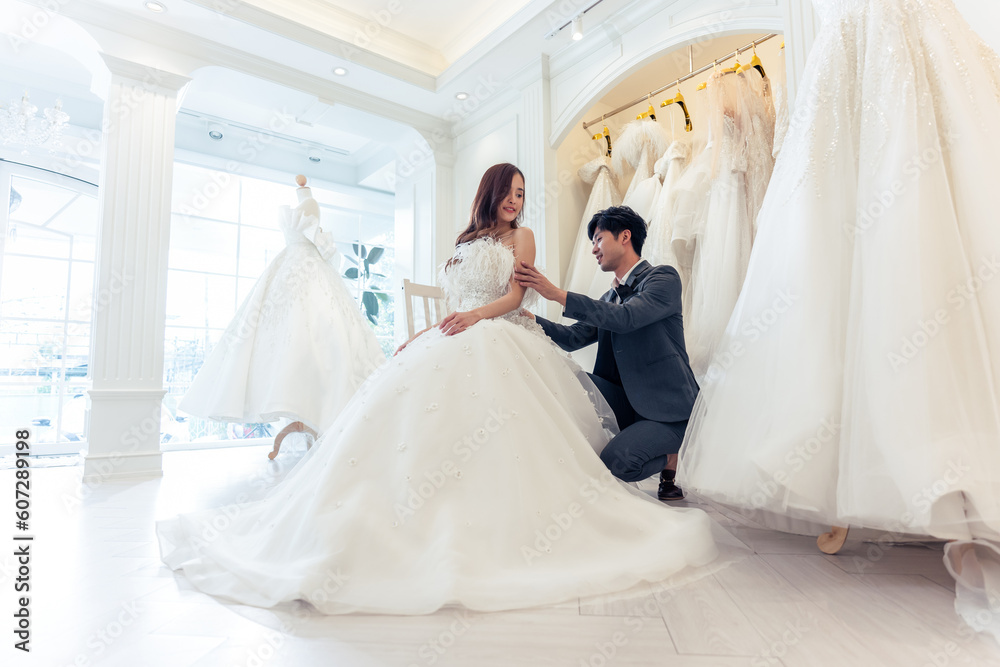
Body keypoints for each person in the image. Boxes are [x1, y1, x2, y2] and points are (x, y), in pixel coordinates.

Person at [156, 164, 720, 615]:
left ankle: (672, 449)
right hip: (476, 330)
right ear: (493, 191)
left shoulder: (657, 279)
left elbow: (533, 302)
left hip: (658, 400)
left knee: (602, 463)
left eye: (524, 194)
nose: (518, 202)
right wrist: (437, 331)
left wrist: (522, 306)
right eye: (512, 192)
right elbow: (574, 336)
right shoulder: (472, 238)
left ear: (624, 238)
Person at [178, 175, 385, 458]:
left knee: (319, 337)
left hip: (308, 270)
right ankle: (305, 411)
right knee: (288, 337)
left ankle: (317, 413)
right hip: (292, 271)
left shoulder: (309, 203)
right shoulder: (304, 207)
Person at [515, 206, 698, 502]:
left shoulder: (663, 279)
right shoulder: (610, 297)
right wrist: (529, 319)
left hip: (670, 412)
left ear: (625, 236)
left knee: (617, 463)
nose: (593, 250)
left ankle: (670, 457)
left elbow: (626, 318)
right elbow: (574, 337)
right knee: (566, 378)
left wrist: (557, 293)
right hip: (627, 404)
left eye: (598, 239)